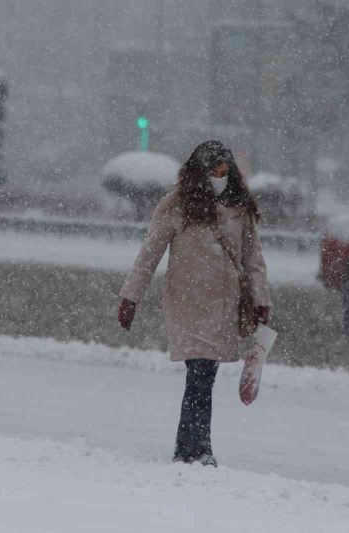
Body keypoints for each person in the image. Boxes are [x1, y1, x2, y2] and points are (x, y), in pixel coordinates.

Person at [118, 140, 272, 467]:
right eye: (215, 170)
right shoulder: (176, 205)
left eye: (225, 170)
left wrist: (261, 299)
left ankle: (188, 447)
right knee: (200, 372)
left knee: (204, 374)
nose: (220, 176)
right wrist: (130, 297)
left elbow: (253, 258)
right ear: (200, 172)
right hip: (186, 300)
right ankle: (198, 447)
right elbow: (150, 253)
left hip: (222, 304)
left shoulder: (239, 207)